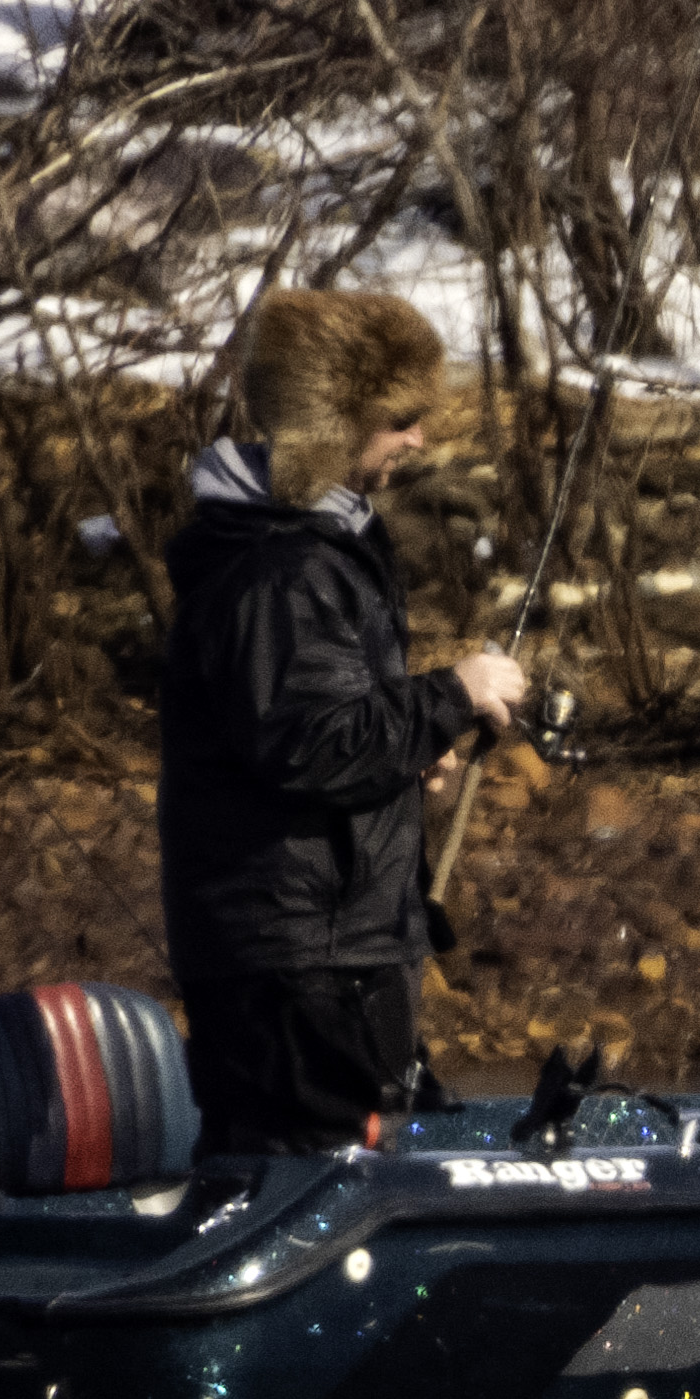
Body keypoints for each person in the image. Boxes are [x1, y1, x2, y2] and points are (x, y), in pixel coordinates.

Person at [159, 286, 527, 1154]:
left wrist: (413, 751)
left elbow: (323, 735)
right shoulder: (284, 571)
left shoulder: (301, 552)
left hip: (317, 957)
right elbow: (316, 745)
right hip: (299, 968)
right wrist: (453, 693)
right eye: (399, 417)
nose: (419, 438)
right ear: (333, 420)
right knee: (308, 1185)